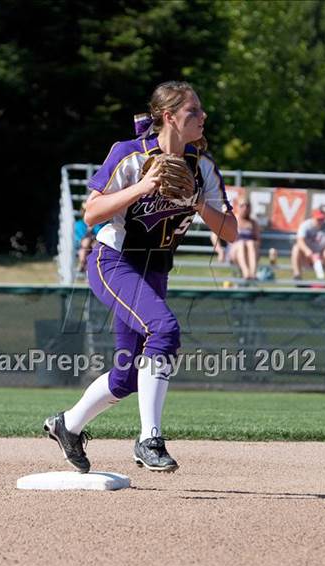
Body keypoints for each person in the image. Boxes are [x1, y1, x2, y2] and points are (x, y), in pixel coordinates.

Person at [44, 80, 237, 473]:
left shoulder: (201, 167)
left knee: (127, 376)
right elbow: (92, 214)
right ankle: (149, 439)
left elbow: (230, 232)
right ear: (169, 117)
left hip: (155, 270)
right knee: (164, 330)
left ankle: (68, 425)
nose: (203, 117)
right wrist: (144, 186)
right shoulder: (129, 155)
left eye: (200, 111)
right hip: (114, 261)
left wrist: (198, 202)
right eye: (193, 112)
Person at [291, 206, 325, 282]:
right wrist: (308, 251)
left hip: (323, 255)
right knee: (296, 248)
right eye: (318, 219)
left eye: (322, 219)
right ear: (313, 217)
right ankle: (297, 275)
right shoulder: (305, 225)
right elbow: (300, 240)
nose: (320, 221)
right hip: (307, 256)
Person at [227, 199, 261, 281]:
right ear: (237, 207)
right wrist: (219, 250)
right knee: (241, 244)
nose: (245, 208)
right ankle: (246, 272)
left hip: (250, 252)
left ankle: (253, 273)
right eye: (242, 205)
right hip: (234, 251)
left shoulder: (253, 223)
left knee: (251, 243)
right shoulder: (233, 220)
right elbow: (219, 236)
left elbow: (258, 240)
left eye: (247, 205)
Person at [74, 201, 106, 277]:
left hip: (93, 245)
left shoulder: (98, 224)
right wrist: (89, 230)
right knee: (86, 242)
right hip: (83, 246)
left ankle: (83, 265)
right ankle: (83, 265)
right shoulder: (79, 224)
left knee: (95, 245)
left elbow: (100, 237)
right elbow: (81, 239)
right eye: (85, 211)